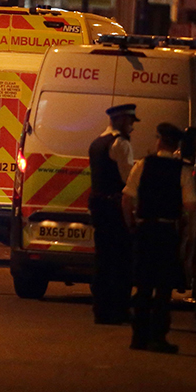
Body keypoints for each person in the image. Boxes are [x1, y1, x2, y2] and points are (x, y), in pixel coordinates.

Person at [122, 123, 196, 353]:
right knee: (163, 289)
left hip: (145, 231)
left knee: (143, 286)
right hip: (167, 233)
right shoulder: (182, 170)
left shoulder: (143, 165)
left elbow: (126, 199)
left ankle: (138, 337)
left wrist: (132, 225)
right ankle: (158, 338)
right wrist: (187, 230)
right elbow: (191, 205)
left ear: (159, 142)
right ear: (175, 145)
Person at [88, 103, 138, 324]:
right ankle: (118, 309)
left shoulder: (97, 142)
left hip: (99, 206)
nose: (132, 127)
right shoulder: (121, 143)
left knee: (103, 258)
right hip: (115, 207)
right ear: (119, 120)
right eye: (130, 122)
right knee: (121, 260)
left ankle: (101, 308)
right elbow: (129, 181)